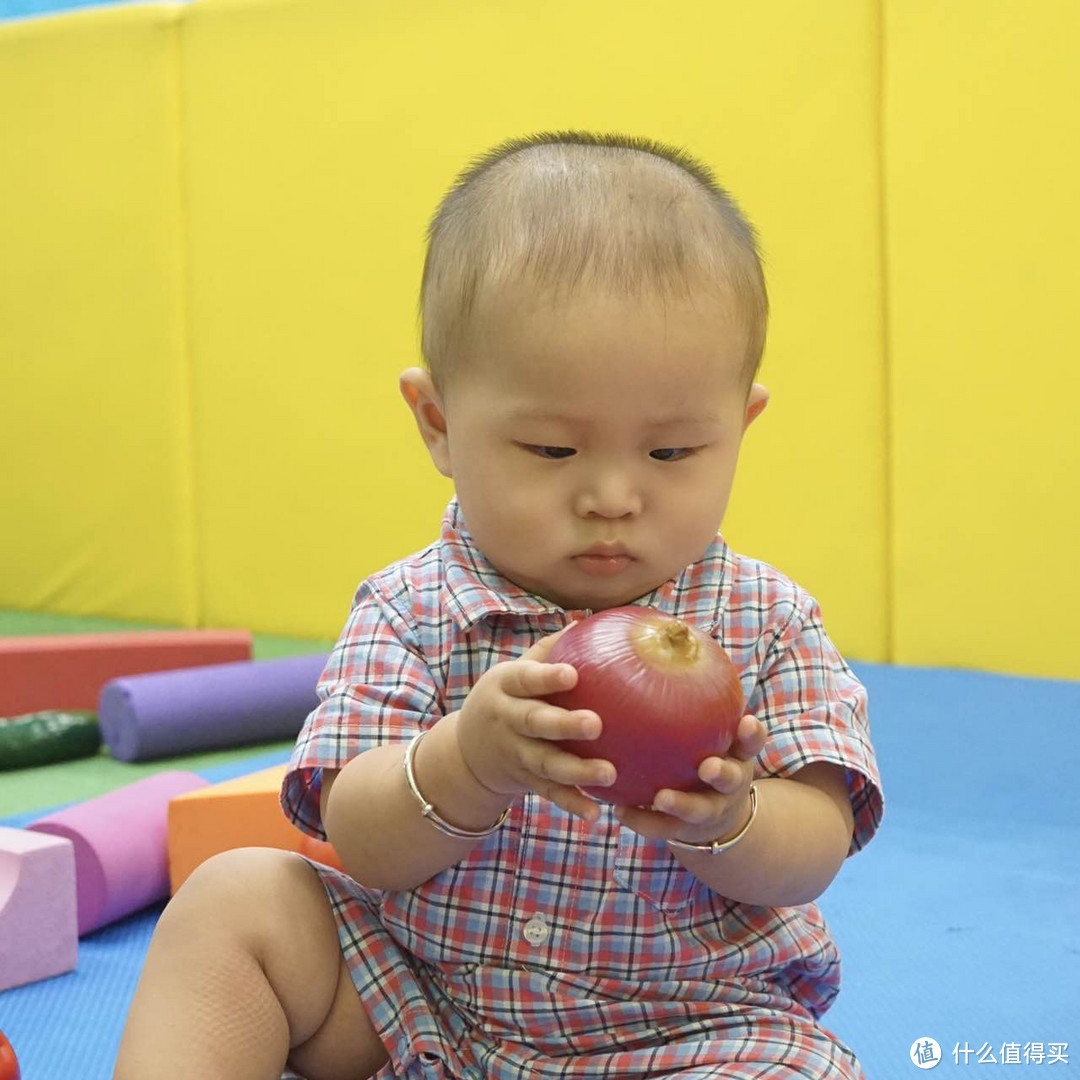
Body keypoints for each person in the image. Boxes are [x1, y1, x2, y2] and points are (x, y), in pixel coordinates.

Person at [114, 130, 883, 1080]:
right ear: (438, 424)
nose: (612, 495)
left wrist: (723, 821)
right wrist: (466, 761)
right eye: (553, 452)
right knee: (233, 898)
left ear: (740, 426)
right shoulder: (411, 610)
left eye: (672, 452)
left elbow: (819, 842)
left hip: (689, 1028)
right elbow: (356, 834)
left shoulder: (768, 621)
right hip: (418, 1001)